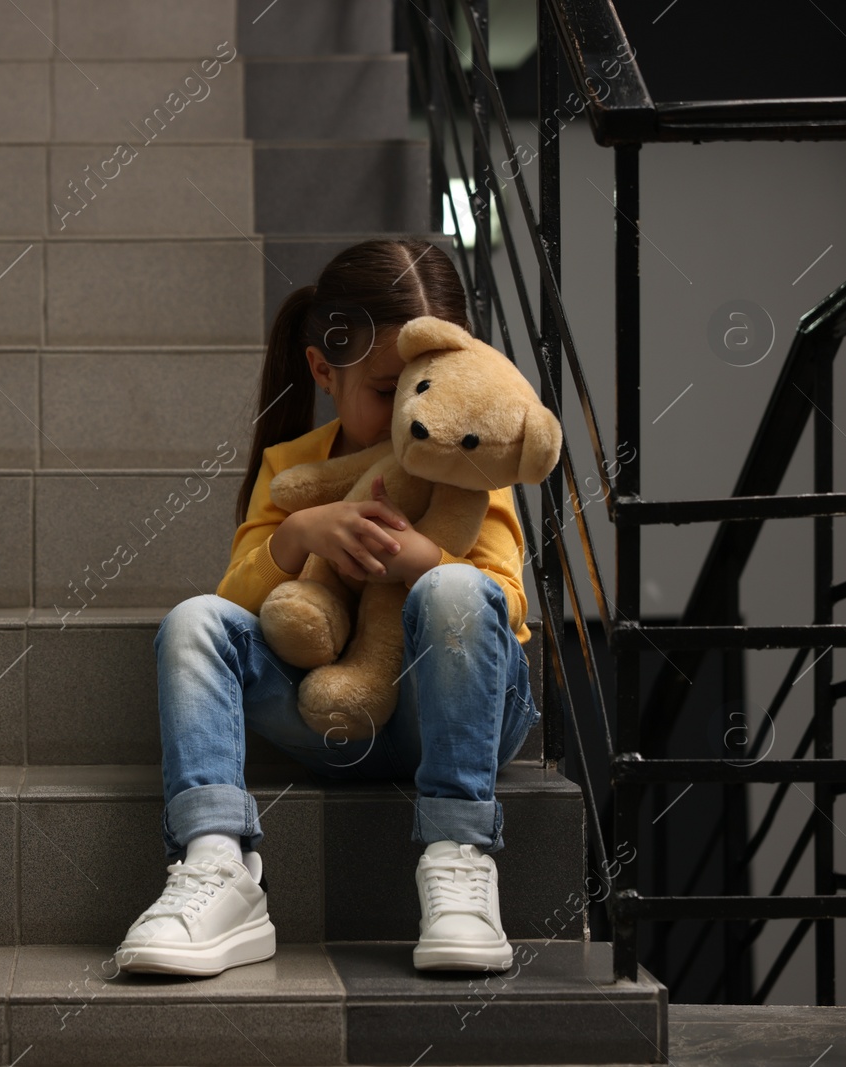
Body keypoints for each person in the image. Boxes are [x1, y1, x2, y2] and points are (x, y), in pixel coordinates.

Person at [115, 238, 539, 978]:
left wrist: (419, 561)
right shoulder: (294, 467)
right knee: (191, 621)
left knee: (455, 588)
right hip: (327, 714)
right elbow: (236, 598)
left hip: (454, 716)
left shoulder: (468, 458)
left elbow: (504, 605)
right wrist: (297, 536)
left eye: (430, 383)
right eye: (387, 389)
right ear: (323, 371)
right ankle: (219, 861)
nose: (415, 413)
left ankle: (460, 856)